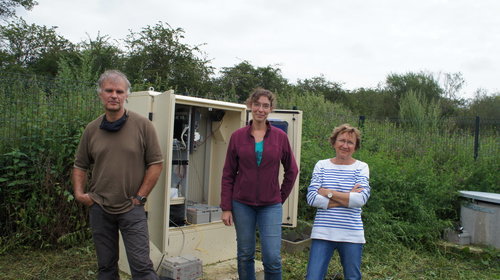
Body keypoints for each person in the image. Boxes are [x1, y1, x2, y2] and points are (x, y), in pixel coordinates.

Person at [72, 70, 163, 280]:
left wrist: (140, 197)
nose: (114, 95)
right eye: (109, 90)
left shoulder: (143, 126)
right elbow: (80, 165)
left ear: (126, 95)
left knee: (142, 268)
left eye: (119, 91)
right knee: (106, 267)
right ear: (100, 94)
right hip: (100, 208)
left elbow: (156, 164)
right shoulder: (92, 129)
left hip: (132, 208)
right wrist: (79, 193)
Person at [220, 88, 299, 280]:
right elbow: (228, 173)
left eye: (265, 105)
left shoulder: (280, 137)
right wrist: (226, 207)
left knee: (272, 257)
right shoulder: (237, 137)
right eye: (257, 105)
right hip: (242, 204)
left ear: (271, 108)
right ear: (250, 106)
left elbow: (292, 170)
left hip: (270, 206)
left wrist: (279, 197)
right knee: (245, 254)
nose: (260, 109)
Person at [305, 124, 371, 280]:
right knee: (313, 277)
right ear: (334, 142)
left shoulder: (361, 167)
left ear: (355, 147)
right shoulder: (321, 165)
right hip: (323, 233)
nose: (345, 145)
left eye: (350, 142)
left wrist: (328, 192)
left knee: (352, 277)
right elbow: (312, 198)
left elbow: (360, 199)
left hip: (352, 234)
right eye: (341, 140)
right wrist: (348, 197)